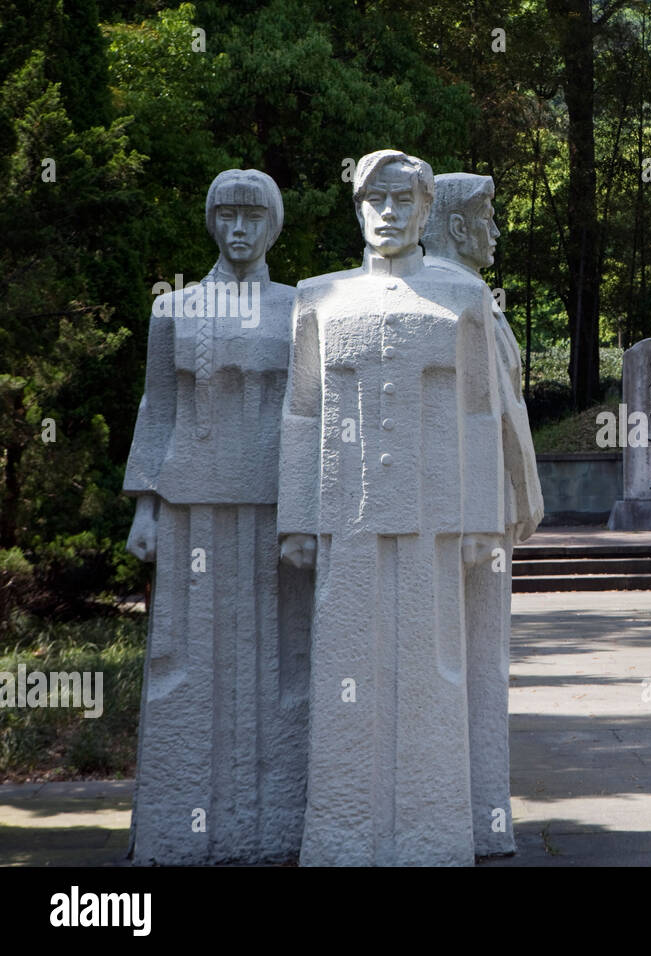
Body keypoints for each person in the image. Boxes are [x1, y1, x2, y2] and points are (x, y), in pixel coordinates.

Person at [278, 150, 504, 865]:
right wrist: (296, 517)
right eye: (374, 199)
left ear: (427, 211)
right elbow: (300, 415)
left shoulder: (462, 299)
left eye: (403, 201)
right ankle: (344, 833)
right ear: (355, 207)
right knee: (345, 661)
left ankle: (431, 832)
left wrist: (481, 520)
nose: (388, 213)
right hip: (344, 520)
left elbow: (478, 414)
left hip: (434, 518)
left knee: (432, 668)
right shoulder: (317, 298)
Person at [124, 169, 309, 864]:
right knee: (188, 655)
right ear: (211, 222)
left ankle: (272, 819)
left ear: (272, 225)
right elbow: (157, 409)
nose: (238, 229)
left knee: (280, 656)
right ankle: (182, 823)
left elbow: (309, 415)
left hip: (274, 504)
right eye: (226, 215)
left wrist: (310, 512)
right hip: (190, 503)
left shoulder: (300, 308)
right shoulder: (174, 310)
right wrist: (144, 505)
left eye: (252, 217)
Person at [422, 172, 543, 856]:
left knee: (481, 657)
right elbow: (493, 419)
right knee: (472, 657)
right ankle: (471, 814)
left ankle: (479, 811)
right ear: (459, 225)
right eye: (488, 217)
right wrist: (524, 493)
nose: (496, 230)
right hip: (468, 511)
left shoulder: (470, 297)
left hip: (482, 507)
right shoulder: (453, 297)